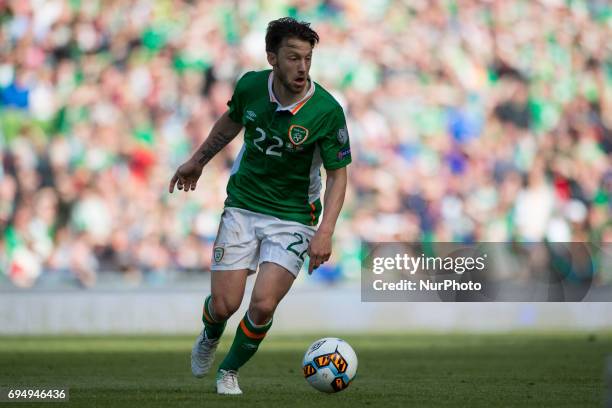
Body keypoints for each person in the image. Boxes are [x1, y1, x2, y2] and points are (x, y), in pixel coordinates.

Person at [168, 17, 351, 395]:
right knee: (224, 304)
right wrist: (197, 161)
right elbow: (231, 122)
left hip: (294, 217)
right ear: (272, 58)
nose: (302, 67)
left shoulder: (326, 111)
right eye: (293, 57)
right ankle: (210, 334)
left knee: (263, 304)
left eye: (308, 58)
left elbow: (338, 175)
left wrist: (326, 232)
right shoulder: (251, 86)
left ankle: (229, 371)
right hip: (244, 206)